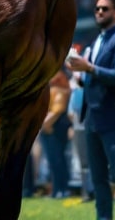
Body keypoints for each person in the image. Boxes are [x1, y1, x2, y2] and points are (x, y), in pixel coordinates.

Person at [66, 0, 115, 220]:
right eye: (97, 8)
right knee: (97, 178)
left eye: (104, 8)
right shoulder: (98, 39)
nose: (99, 12)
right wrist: (81, 76)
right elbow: (97, 76)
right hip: (93, 118)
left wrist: (88, 68)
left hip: (114, 117)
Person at [40, 69, 73, 199]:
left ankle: (62, 189)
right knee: (52, 161)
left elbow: (58, 110)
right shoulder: (50, 89)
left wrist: (44, 124)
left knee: (58, 159)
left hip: (56, 128)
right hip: (48, 128)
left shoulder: (61, 90)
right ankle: (56, 190)